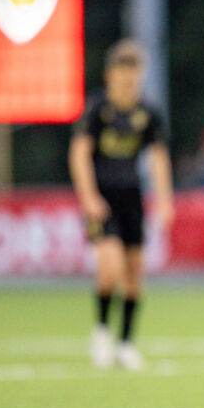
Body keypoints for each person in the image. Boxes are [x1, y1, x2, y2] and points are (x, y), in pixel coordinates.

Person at [68, 39, 174, 370]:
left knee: (134, 275)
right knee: (109, 270)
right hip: (103, 201)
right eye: (122, 73)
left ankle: (126, 343)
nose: (128, 81)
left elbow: (158, 159)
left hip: (132, 200)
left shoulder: (148, 114)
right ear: (110, 75)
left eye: (134, 74)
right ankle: (101, 332)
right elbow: (80, 153)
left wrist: (165, 199)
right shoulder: (97, 110)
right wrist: (88, 197)